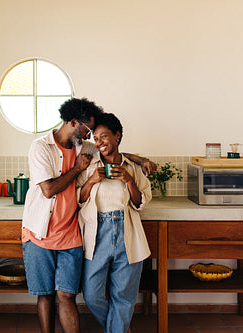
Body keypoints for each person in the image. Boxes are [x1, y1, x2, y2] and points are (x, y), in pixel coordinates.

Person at [22, 98, 156, 333]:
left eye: (94, 133)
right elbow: (50, 190)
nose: (91, 137)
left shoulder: (83, 148)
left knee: (73, 294)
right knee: (64, 294)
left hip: (77, 232)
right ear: (73, 122)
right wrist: (83, 172)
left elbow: (114, 150)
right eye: (88, 131)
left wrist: (140, 161)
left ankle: (116, 329)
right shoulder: (46, 147)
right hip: (52, 230)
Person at [77, 113, 152, 333]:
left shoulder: (133, 168)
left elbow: (141, 203)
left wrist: (128, 180)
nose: (99, 142)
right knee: (92, 294)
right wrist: (91, 181)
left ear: (117, 136)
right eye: (95, 138)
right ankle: (120, 328)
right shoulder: (89, 164)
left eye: (104, 136)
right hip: (97, 233)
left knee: (124, 296)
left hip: (127, 231)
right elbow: (79, 200)